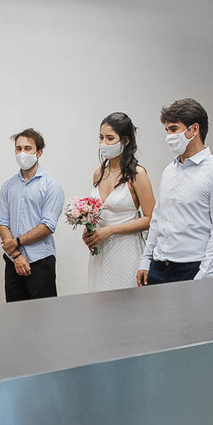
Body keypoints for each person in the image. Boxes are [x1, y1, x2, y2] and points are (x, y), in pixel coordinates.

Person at [136, 98, 213, 286]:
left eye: (174, 129)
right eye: (166, 130)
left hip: (192, 269)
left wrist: (205, 276)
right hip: (158, 267)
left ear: (194, 129)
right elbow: (158, 218)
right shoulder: (169, 171)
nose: (169, 136)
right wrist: (146, 259)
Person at [84, 113, 155, 291]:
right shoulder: (98, 173)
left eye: (110, 138)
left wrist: (110, 230)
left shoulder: (137, 174)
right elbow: (96, 212)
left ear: (126, 141)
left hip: (126, 250)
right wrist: (88, 230)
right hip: (100, 252)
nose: (104, 144)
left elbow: (151, 218)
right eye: (101, 138)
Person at [0, 128, 64, 302]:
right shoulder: (8, 186)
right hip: (13, 261)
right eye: (18, 149)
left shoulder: (51, 186)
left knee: (44, 318)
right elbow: (2, 222)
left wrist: (16, 242)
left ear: (39, 152)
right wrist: (16, 255)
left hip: (41, 261)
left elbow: (47, 226)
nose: (22, 153)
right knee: (15, 318)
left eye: (28, 148)